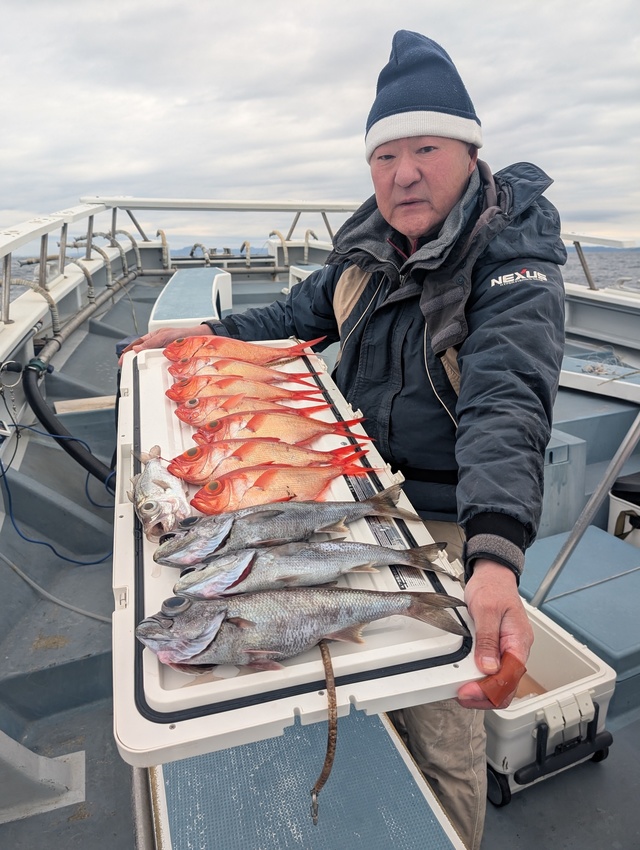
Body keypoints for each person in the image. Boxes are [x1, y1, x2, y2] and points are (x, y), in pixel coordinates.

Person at [124, 31, 566, 849]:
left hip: (440, 513)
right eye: (385, 155)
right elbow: (298, 314)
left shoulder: (510, 265)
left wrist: (494, 556)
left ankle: (452, 828)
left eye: (426, 148)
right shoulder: (369, 247)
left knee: (440, 716)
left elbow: (508, 405)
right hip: (343, 491)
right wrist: (201, 336)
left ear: (470, 153)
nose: (403, 173)